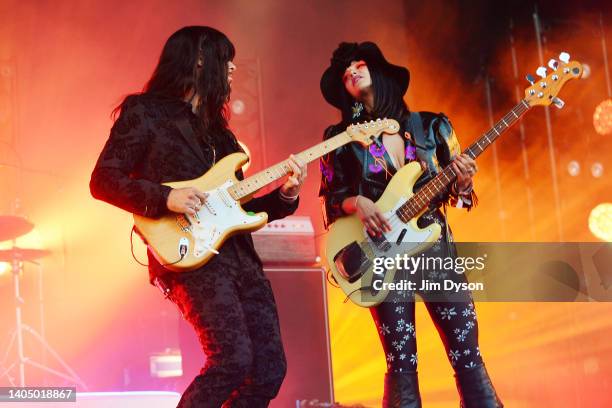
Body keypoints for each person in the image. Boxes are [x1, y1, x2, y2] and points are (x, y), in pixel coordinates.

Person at [90, 26, 307, 407]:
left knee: (270, 368)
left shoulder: (220, 134)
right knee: (232, 359)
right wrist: (166, 197)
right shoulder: (145, 113)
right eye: (228, 59)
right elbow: (103, 180)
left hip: (241, 259)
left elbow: (240, 211)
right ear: (202, 58)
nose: (234, 69)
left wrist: (286, 196)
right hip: (190, 255)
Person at [318, 42, 502, 408]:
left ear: (382, 72)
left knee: (467, 353)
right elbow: (330, 199)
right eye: (345, 73)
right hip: (381, 256)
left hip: (434, 250)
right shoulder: (339, 140)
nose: (352, 72)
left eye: (359, 64)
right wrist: (358, 202)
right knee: (401, 361)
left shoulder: (431, 126)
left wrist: (464, 183)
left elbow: (460, 196)